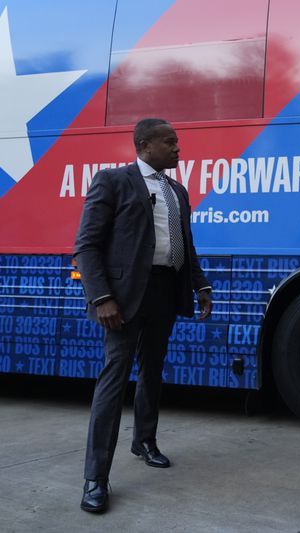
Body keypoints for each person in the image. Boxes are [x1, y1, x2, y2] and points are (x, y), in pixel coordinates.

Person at [74, 118, 213, 513]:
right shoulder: (114, 181)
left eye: (177, 141)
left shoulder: (178, 191)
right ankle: (95, 477)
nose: (177, 148)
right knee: (114, 381)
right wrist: (101, 297)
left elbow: (185, 244)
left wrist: (199, 284)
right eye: (169, 142)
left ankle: (145, 441)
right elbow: (86, 245)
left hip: (165, 292)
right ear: (145, 144)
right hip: (122, 298)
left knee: (153, 370)